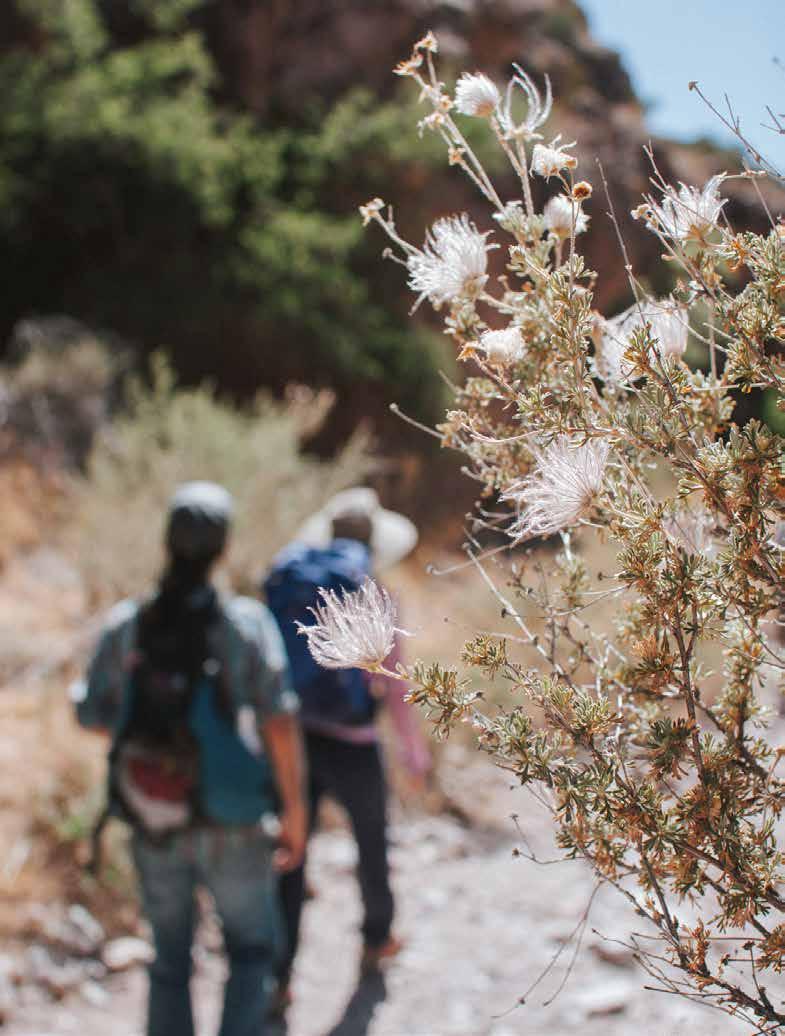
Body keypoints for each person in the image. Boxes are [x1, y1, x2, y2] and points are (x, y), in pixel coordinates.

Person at [72, 481, 307, 1036]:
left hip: (155, 811)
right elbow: (278, 722)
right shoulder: (245, 624)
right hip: (236, 818)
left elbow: (94, 714)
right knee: (250, 950)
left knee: (170, 959)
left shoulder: (127, 623)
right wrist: (295, 809)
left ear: (166, 542)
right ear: (223, 548)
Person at [264, 487, 430, 1011]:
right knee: (372, 846)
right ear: (374, 542)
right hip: (355, 744)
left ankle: (279, 976)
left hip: (298, 741)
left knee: (293, 852)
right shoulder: (376, 596)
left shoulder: (299, 586)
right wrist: (413, 753)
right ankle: (376, 941)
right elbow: (396, 687)